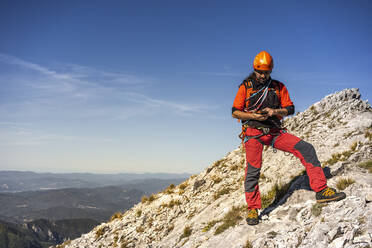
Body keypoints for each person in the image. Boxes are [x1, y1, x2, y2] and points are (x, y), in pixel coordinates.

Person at [232, 51, 346, 225]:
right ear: (255, 70)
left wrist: (274, 112)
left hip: (274, 132)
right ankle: (253, 209)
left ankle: (321, 190)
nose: (263, 76)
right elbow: (235, 112)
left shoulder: (278, 87)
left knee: (306, 148)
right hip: (253, 133)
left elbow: (290, 108)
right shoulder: (246, 87)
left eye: (266, 73)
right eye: (260, 72)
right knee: (253, 171)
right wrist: (255, 117)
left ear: (271, 71)